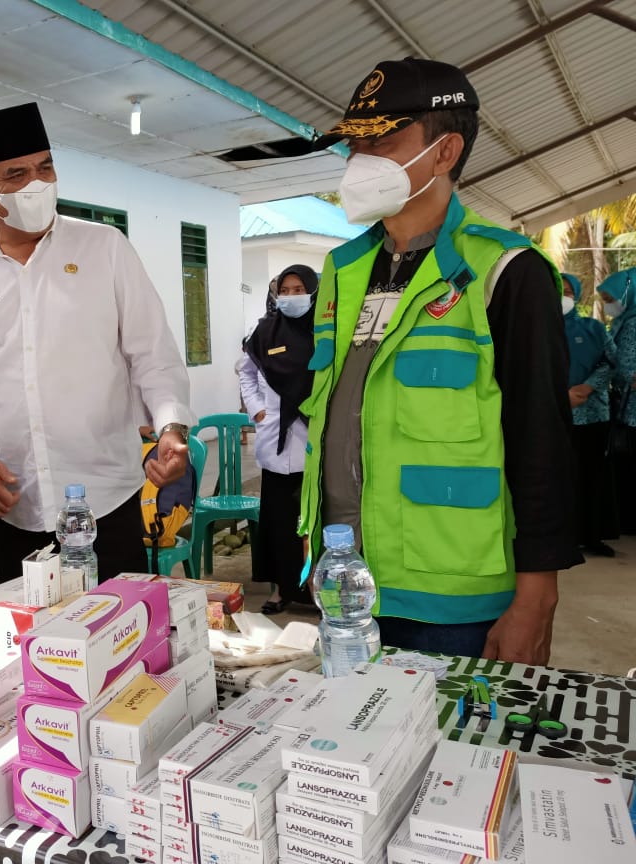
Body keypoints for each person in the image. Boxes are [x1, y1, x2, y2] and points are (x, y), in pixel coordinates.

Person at [296, 58, 580, 664]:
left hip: (456, 599)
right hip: (347, 585)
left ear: (445, 151)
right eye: (355, 144)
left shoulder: (506, 271)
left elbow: (542, 442)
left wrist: (537, 597)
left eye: (384, 141)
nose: (359, 161)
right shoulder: (342, 271)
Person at [0, 102, 194, 584]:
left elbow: (152, 355)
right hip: (13, 503)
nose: (37, 182)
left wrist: (172, 428)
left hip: (107, 499)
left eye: (45, 166)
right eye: (16, 174)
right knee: (35, 647)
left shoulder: (104, 248)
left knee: (120, 637)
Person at [239, 264, 319, 614]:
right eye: (284, 290)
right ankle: (279, 590)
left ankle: (317, 592)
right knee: (277, 523)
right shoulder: (265, 331)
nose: (290, 296)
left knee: (313, 524)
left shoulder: (325, 331)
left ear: (314, 291)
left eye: (298, 288)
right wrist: (258, 410)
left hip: (313, 441)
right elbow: (246, 373)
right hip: (274, 442)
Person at [562, 272, 617, 556]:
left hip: (593, 415)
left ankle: (592, 536)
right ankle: (563, 537)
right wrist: (561, 396)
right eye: (557, 290)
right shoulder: (535, 328)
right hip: (555, 415)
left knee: (592, 477)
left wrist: (587, 387)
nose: (562, 296)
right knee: (559, 477)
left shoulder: (593, 328)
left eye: (568, 291)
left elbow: (611, 361)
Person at [599, 267, 636, 533]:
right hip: (627, 407)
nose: (608, 306)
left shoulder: (633, 323)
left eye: (610, 300)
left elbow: (624, 366)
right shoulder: (624, 321)